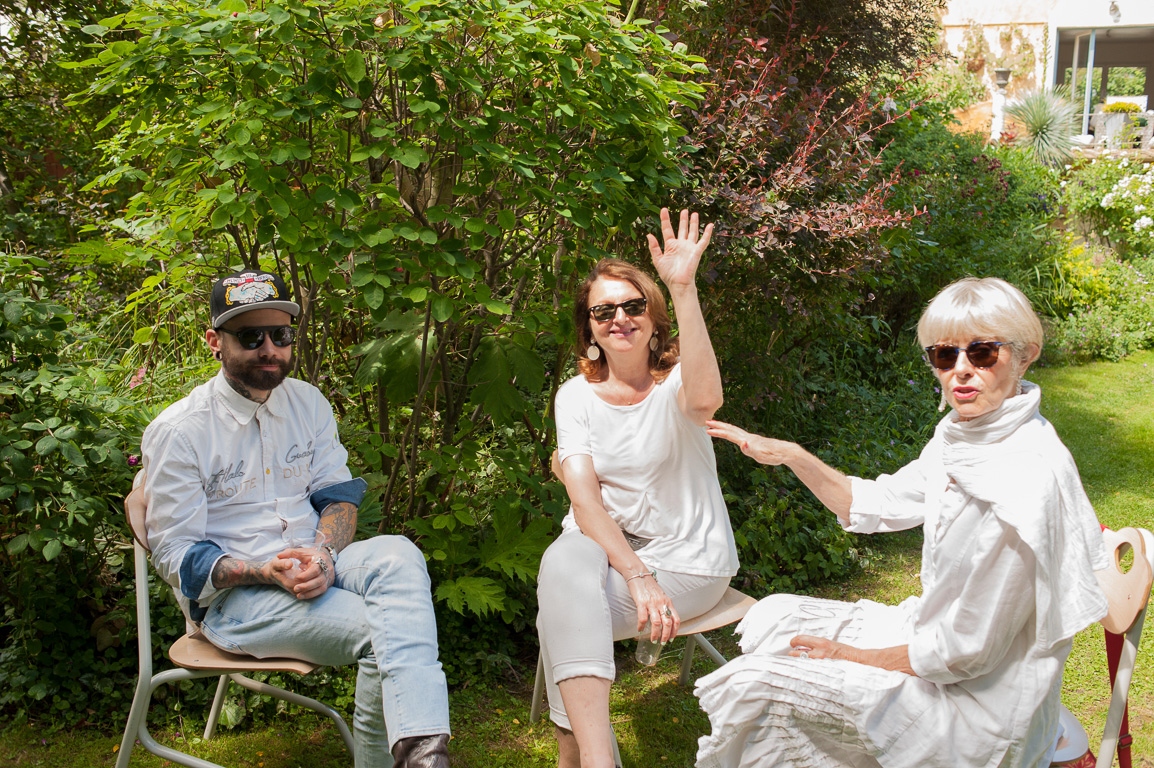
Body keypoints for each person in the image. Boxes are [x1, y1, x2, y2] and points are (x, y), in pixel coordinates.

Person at [695, 277, 1108, 768]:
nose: (961, 371)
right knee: (776, 615)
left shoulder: (1024, 481)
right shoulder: (964, 436)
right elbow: (877, 503)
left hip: (979, 712)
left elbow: (966, 652)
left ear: (1025, 355)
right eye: (943, 355)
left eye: (982, 354)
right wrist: (792, 456)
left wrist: (850, 656)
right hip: (940, 647)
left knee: (755, 686)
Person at [140, 270, 451, 768]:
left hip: (314, 563)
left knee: (400, 552)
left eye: (281, 335)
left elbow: (338, 498)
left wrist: (325, 556)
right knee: (386, 631)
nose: (269, 348)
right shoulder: (180, 431)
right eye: (250, 336)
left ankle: (422, 756)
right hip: (235, 600)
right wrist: (263, 571)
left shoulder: (307, 402)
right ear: (214, 342)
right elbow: (175, 555)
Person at [538, 209, 740, 768]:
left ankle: (575, 755)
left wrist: (683, 289)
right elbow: (584, 499)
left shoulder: (677, 382)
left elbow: (705, 404)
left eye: (633, 306)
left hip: (690, 561)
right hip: (613, 553)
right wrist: (636, 574)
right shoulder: (574, 396)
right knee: (565, 566)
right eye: (604, 311)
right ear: (590, 329)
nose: (620, 318)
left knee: (558, 606)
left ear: (653, 319)